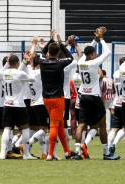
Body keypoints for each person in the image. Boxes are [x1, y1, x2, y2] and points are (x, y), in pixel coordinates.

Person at [74, 27, 120, 160]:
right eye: (94, 53)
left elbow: (88, 49)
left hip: (83, 96)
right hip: (94, 97)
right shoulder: (94, 63)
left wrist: (95, 39)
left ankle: (77, 152)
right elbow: (107, 51)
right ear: (93, 54)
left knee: (81, 124)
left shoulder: (80, 62)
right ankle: (106, 153)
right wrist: (101, 39)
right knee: (102, 125)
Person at [39, 31, 77, 161]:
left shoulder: (43, 62)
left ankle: (67, 151)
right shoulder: (60, 63)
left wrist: (51, 40)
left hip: (46, 98)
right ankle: (50, 154)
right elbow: (71, 58)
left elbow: (42, 53)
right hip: (58, 98)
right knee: (54, 125)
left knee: (60, 123)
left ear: (49, 52)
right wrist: (61, 45)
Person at [0, 53, 37, 160]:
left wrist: (9, 63)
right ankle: (26, 154)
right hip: (19, 105)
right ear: (17, 63)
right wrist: (28, 64)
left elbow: (1, 71)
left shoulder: (3, 73)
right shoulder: (20, 73)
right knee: (25, 128)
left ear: (8, 62)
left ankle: (2, 153)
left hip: (7, 105)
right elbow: (33, 79)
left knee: (7, 129)